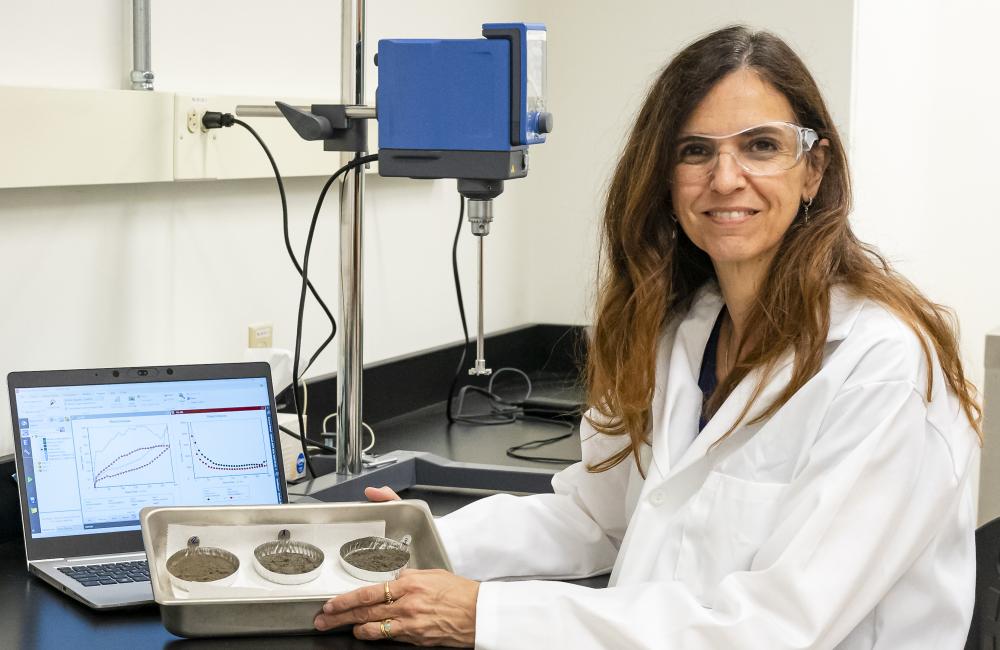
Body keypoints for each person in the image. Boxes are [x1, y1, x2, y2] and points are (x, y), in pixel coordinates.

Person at [313, 25, 982, 649]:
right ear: (664, 177)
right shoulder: (679, 330)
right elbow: (596, 518)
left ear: (813, 169)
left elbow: (774, 627)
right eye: (695, 151)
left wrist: (483, 613)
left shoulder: (881, 367)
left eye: (761, 145)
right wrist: (414, 543)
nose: (725, 178)